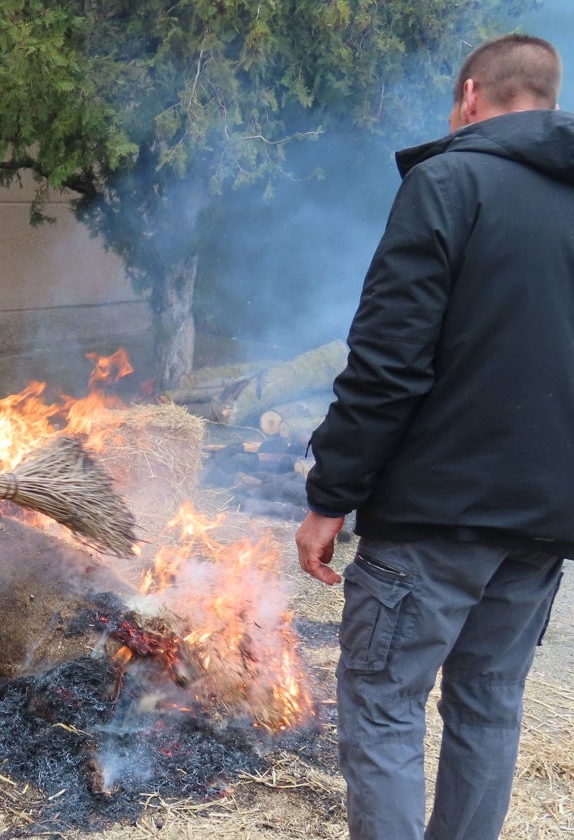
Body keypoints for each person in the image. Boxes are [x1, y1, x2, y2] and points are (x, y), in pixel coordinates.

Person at [295, 34, 570, 840]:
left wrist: (329, 497)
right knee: (489, 707)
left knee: (383, 707)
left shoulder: (449, 181)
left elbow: (386, 366)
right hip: (543, 524)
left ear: (472, 96)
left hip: (433, 519)